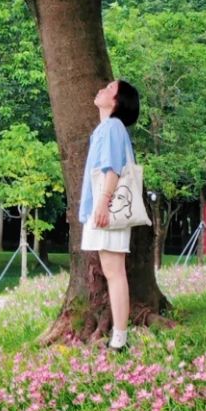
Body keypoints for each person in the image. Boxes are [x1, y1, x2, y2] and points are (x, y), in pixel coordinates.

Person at [79, 77, 141, 351]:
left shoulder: (113, 128)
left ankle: (120, 338)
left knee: (115, 272)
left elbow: (112, 169)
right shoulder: (106, 129)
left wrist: (102, 203)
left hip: (109, 209)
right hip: (105, 209)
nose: (102, 88)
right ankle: (119, 336)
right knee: (111, 271)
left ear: (117, 102)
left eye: (110, 88)